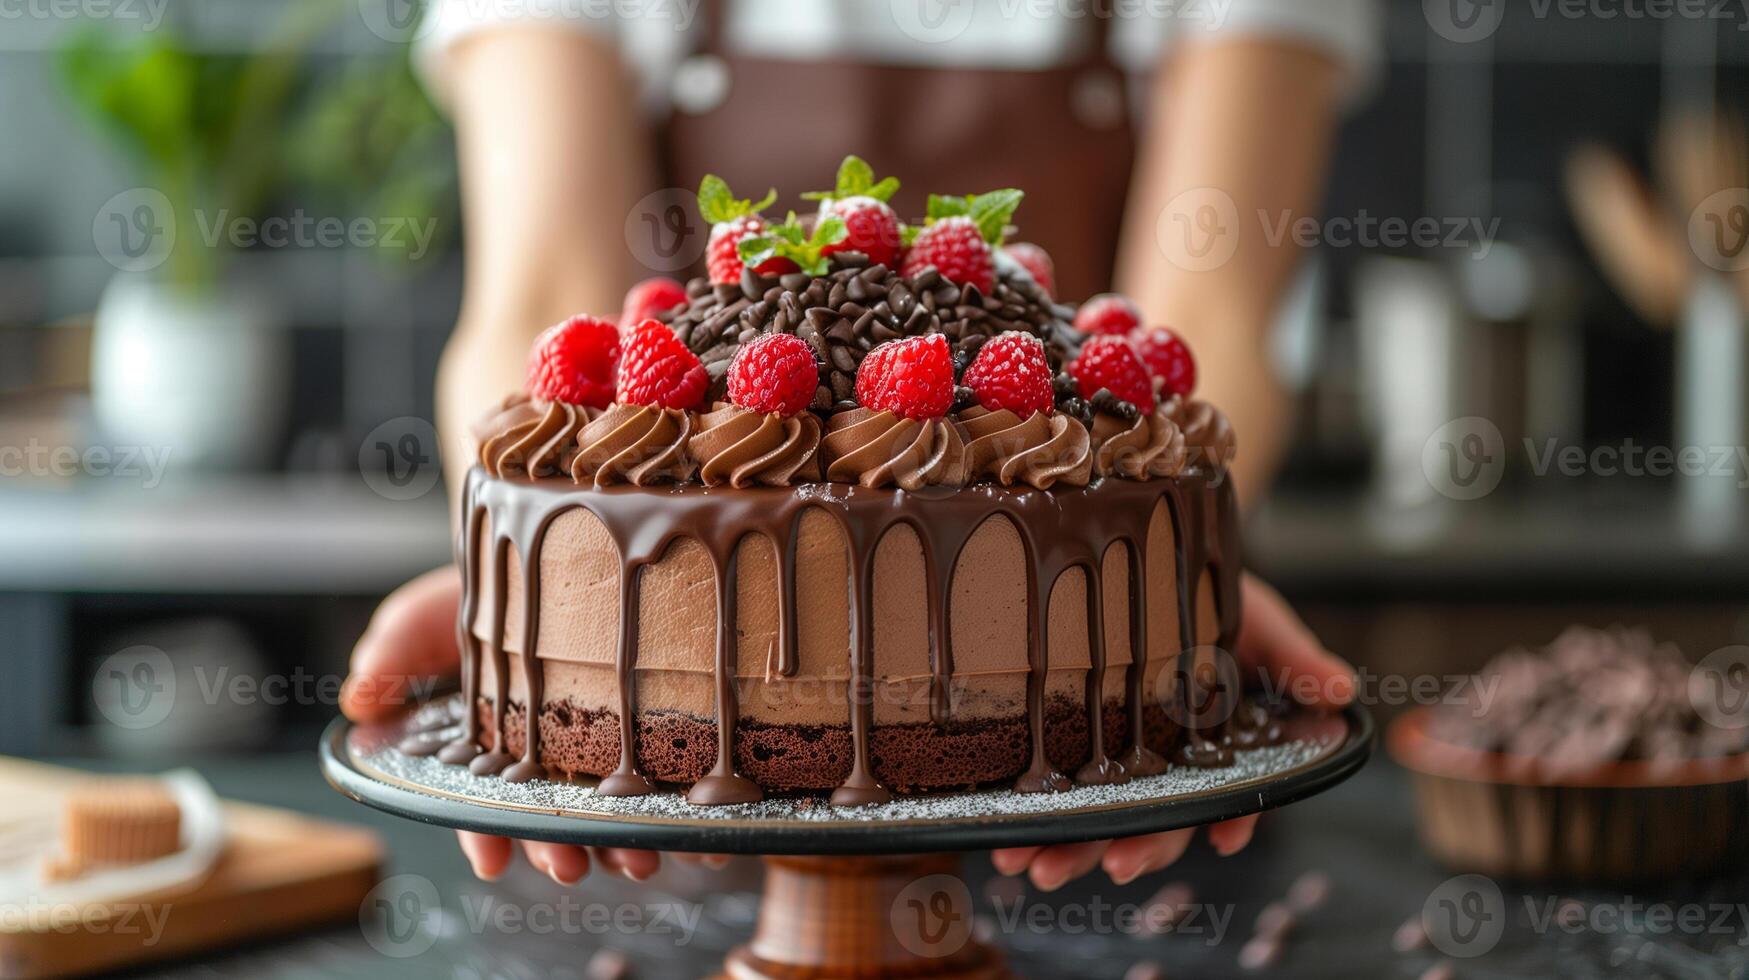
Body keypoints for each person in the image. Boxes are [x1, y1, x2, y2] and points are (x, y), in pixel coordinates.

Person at [343, 0, 1373, 891]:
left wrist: (1177, 583)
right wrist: (550, 592)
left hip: (1107, 793)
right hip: (660, 858)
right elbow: (548, 309)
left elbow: (1207, 317)